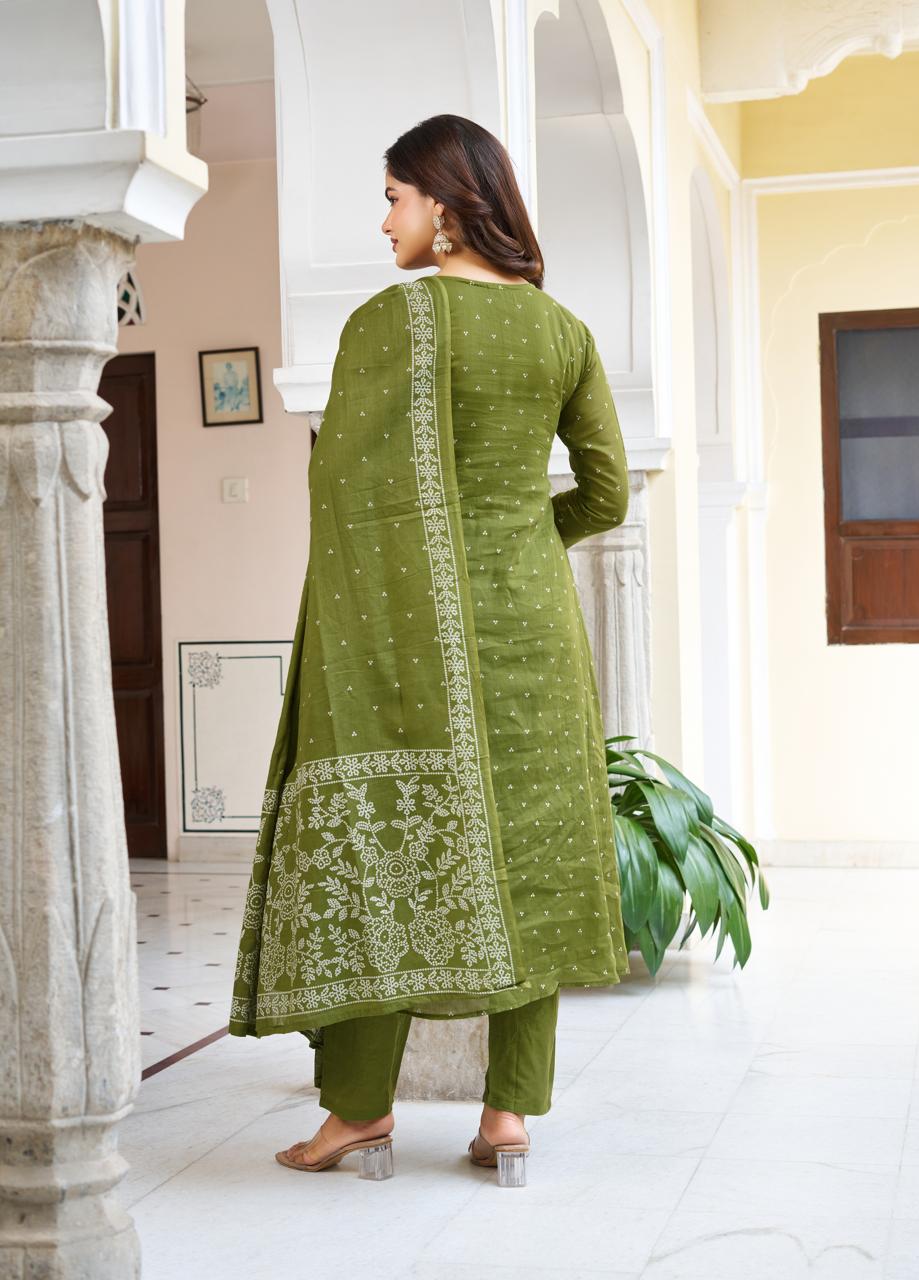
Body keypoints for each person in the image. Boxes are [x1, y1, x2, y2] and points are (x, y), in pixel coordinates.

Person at [228, 113, 631, 1185]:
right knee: (533, 862)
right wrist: (521, 545)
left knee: (380, 857)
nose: (385, 218)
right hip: (537, 638)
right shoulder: (562, 332)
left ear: (446, 206)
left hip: (408, 646)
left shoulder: (388, 327)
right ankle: (508, 1116)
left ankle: (358, 1114)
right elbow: (607, 492)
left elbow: (346, 499)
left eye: (396, 196)